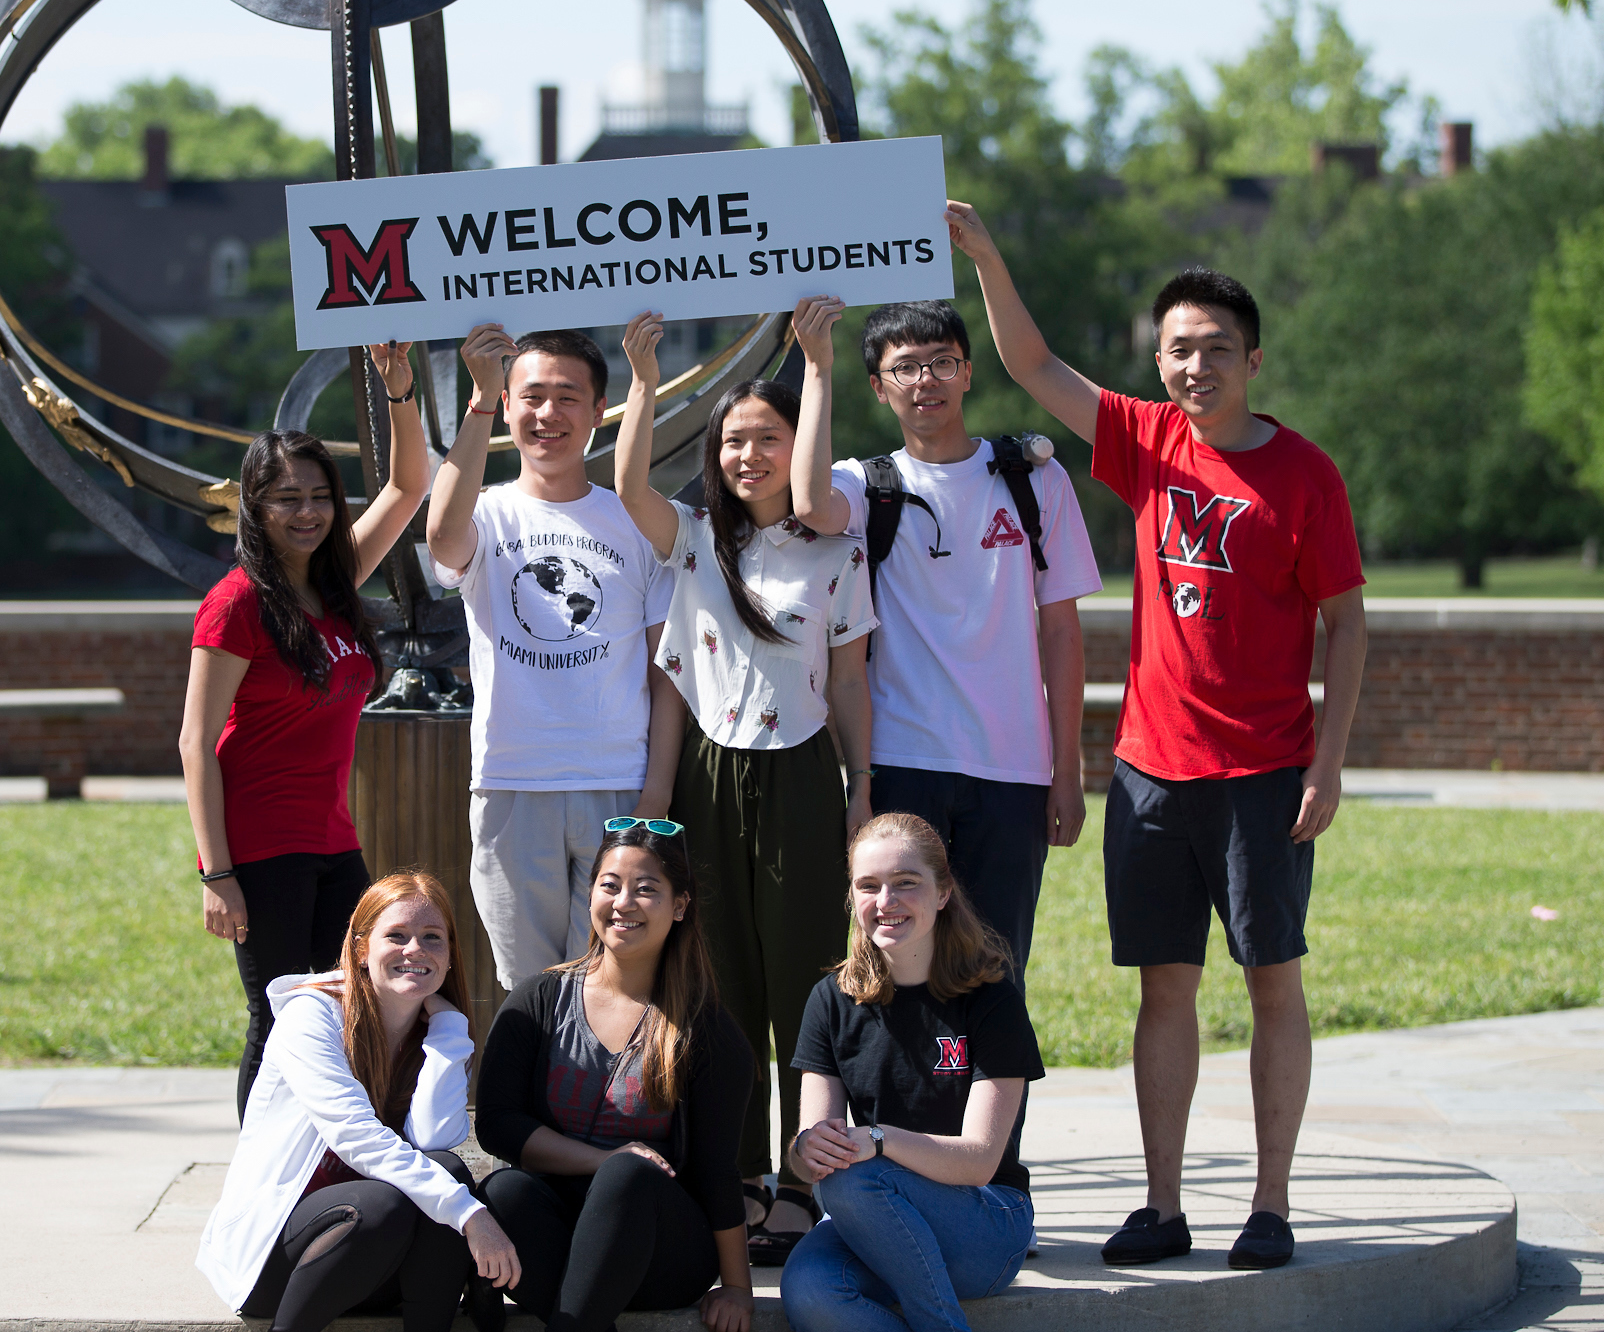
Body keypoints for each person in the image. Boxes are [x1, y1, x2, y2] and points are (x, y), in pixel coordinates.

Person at [948, 200, 1368, 1272]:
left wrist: (1328, 761)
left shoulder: (1305, 475)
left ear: (1254, 358)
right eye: (1177, 348)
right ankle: (1164, 1204)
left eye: (1215, 349)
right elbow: (1034, 364)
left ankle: (1270, 1204)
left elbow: (1348, 620)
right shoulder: (1147, 440)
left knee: (1272, 975)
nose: (1193, 366)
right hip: (1151, 771)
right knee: (1163, 986)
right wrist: (991, 256)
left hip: (1267, 768)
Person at [610, 297, 875, 1261]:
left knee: (802, 983)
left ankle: (807, 1181)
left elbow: (849, 682)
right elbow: (627, 479)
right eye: (732, 441)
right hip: (708, 785)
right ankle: (741, 1180)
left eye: (766, 438)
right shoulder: (688, 542)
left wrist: (860, 787)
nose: (746, 456)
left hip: (802, 775)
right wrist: (641, 384)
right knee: (715, 988)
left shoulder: (837, 549)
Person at [792, 302, 1101, 982]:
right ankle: (904, 1094)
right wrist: (818, 366)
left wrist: (1067, 773)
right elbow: (810, 506)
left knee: (996, 970)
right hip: (903, 762)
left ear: (967, 372)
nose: (924, 380)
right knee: (896, 969)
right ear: (878, 385)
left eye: (940, 363)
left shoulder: (1034, 479)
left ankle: (995, 1094)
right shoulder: (869, 486)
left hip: (1013, 771)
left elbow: (1061, 633)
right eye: (903, 367)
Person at [780, 813, 1101, 1332]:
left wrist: (873, 1141)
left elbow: (980, 1161)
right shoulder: (831, 999)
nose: (886, 901)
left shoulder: (992, 997)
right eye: (868, 885)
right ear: (851, 897)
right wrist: (808, 1150)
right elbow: (813, 1145)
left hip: (985, 1224)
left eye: (907, 882)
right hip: (874, 1218)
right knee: (809, 1294)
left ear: (943, 892)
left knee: (855, 1169)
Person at [181, 343, 430, 1120]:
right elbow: (195, 741)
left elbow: (408, 485)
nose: (307, 512)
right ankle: (261, 1183)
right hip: (260, 850)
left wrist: (399, 391)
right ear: (254, 507)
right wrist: (215, 874)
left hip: (332, 842)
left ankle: (324, 1161)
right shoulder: (236, 604)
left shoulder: (333, 584)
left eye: (319, 495)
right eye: (286, 498)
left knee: (351, 1009)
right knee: (282, 1016)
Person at [196, 871, 523, 1332]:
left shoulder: (431, 1025)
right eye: (396, 936)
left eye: (432, 937)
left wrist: (447, 1031)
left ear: (449, 956)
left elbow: (434, 1141)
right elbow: (356, 1136)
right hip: (280, 1256)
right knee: (396, 1201)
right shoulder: (311, 1016)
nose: (414, 949)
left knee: (443, 1171)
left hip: (369, 1259)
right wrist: (472, 1216)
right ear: (360, 946)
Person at [474, 823, 754, 1332]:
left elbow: (714, 1168)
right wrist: (595, 1160)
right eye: (611, 885)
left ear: (680, 907)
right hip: (561, 1237)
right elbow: (498, 1124)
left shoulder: (705, 1029)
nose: (624, 903)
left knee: (631, 1170)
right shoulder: (539, 999)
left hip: (658, 1248)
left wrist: (736, 1285)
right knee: (504, 1194)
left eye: (647, 889)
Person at [425, 325, 682, 990]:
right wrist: (479, 399)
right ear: (509, 407)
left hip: (619, 786)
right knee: (533, 991)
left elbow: (665, 676)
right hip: (513, 785)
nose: (548, 414)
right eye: (531, 396)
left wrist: (655, 790)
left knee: (618, 986)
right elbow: (442, 539)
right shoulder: (486, 514)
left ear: (600, 410)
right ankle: (542, 1101)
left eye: (568, 397)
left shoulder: (639, 521)